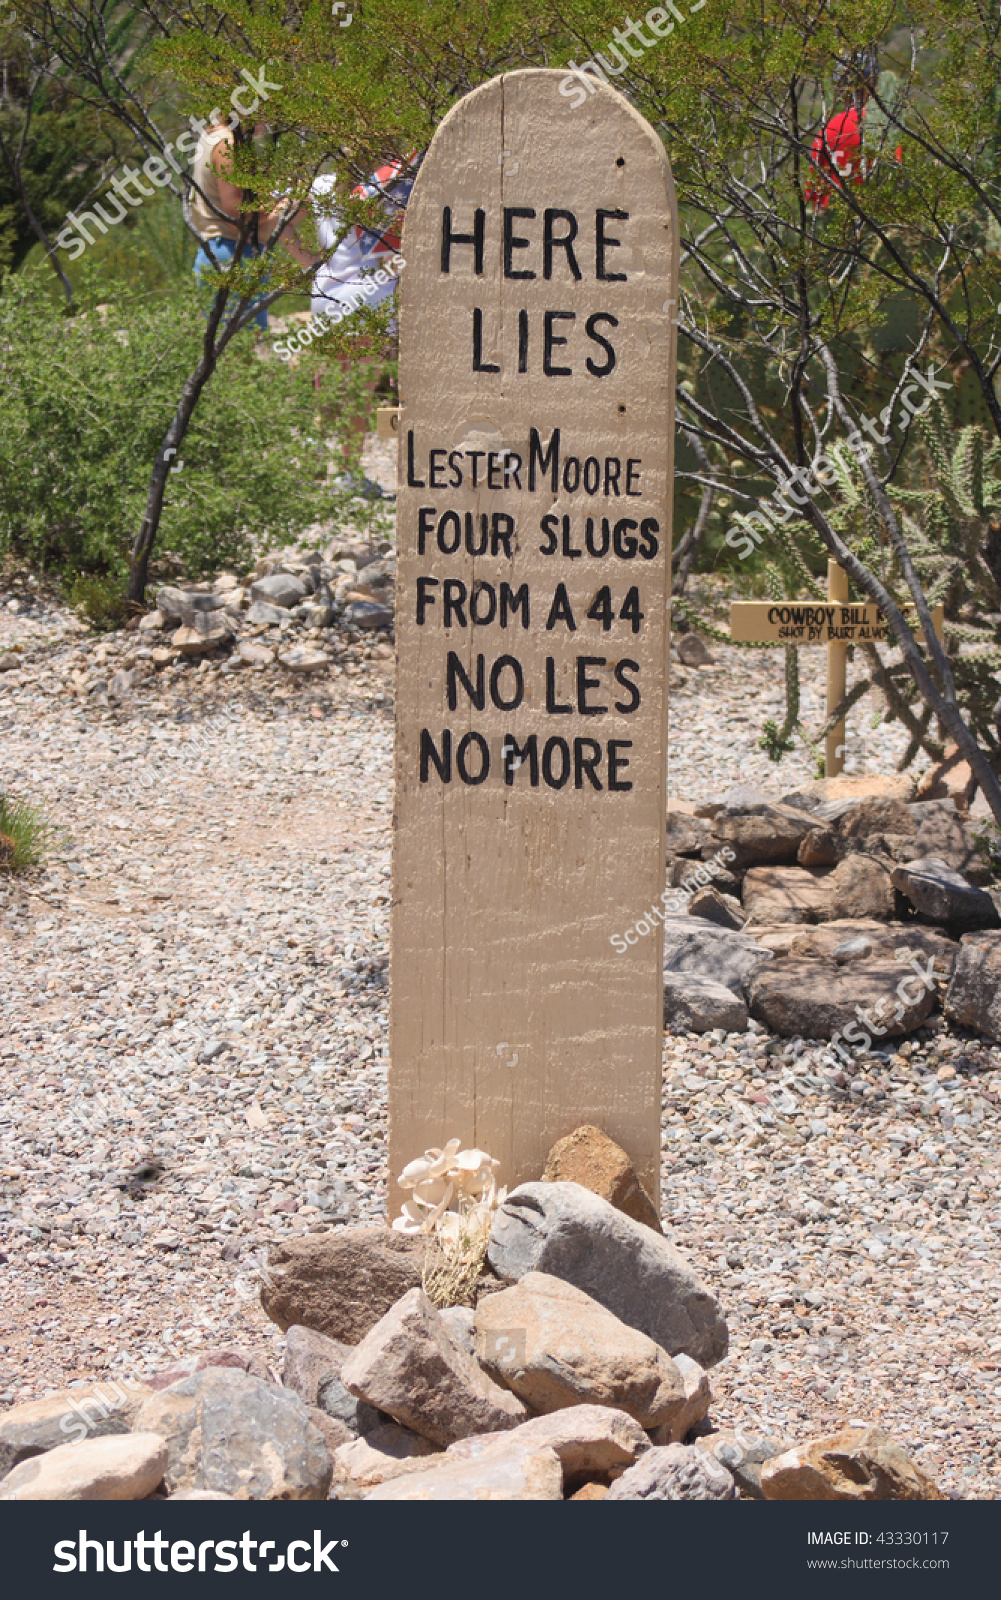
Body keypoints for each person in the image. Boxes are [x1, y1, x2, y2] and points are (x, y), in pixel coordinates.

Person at [189, 112, 317, 330]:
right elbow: (237, 215)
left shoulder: (215, 136)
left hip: (228, 254)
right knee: (239, 351)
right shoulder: (227, 144)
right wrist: (285, 204)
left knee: (233, 351)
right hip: (234, 257)